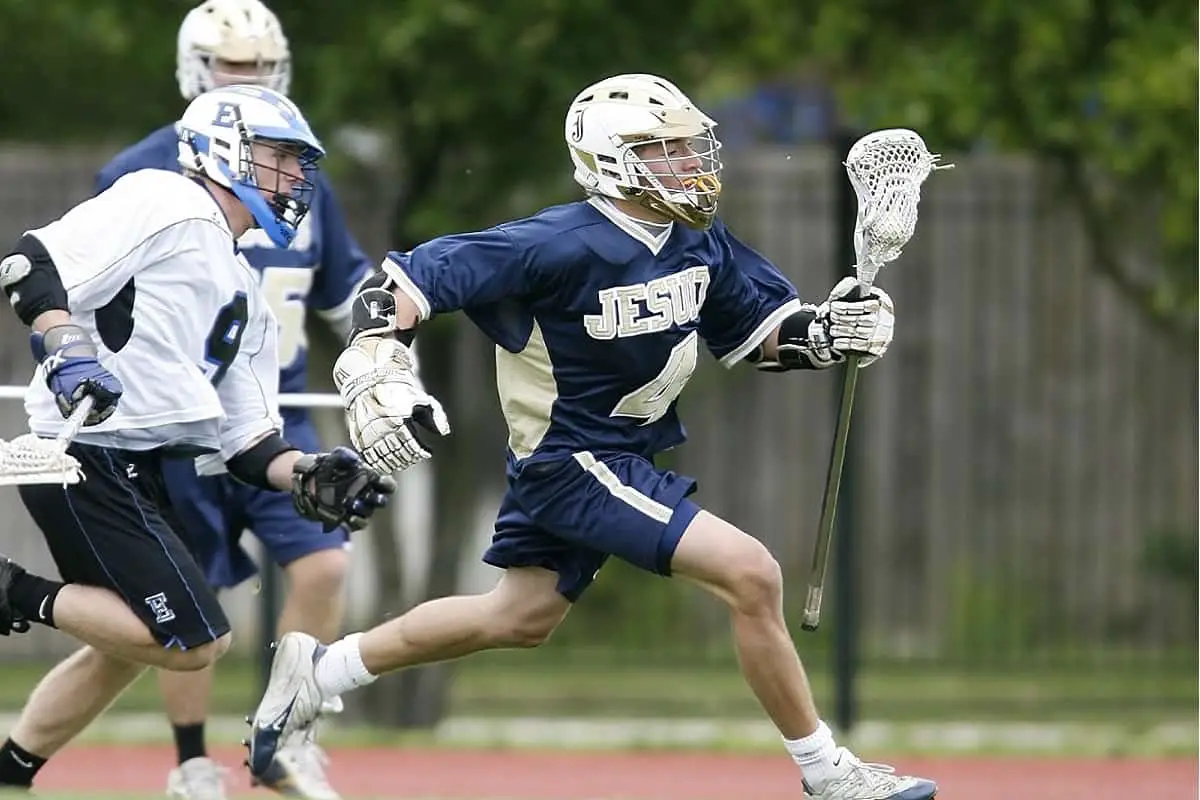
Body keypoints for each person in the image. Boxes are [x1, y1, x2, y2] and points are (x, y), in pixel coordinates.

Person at [249, 73, 938, 800]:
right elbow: (402, 287)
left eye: (691, 147)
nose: (691, 165)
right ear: (613, 162)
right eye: (665, 152)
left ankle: (317, 671)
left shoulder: (699, 242)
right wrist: (375, 361)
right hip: (573, 462)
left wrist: (830, 332)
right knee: (753, 574)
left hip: (613, 458)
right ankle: (827, 772)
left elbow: (760, 336)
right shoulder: (554, 244)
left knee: (518, 616)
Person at [0, 84, 393, 797]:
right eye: (280, 158)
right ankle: (9, 589)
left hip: (148, 467)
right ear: (224, 149)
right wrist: (64, 348)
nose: (296, 178)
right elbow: (29, 263)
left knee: (124, 645)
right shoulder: (165, 198)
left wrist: (308, 473)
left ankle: (10, 767)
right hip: (82, 451)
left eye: (300, 164)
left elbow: (246, 442)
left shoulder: (245, 285)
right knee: (195, 641)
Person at [94, 1, 375, 797]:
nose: (247, 81)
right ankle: (190, 761)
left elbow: (342, 285)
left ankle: (280, 737)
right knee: (196, 593)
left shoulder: (301, 165)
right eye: (232, 67)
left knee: (323, 563)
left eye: (259, 68)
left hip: (279, 409)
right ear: (196, 71)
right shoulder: (142, 169)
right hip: (180, 413)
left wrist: (388, 350)